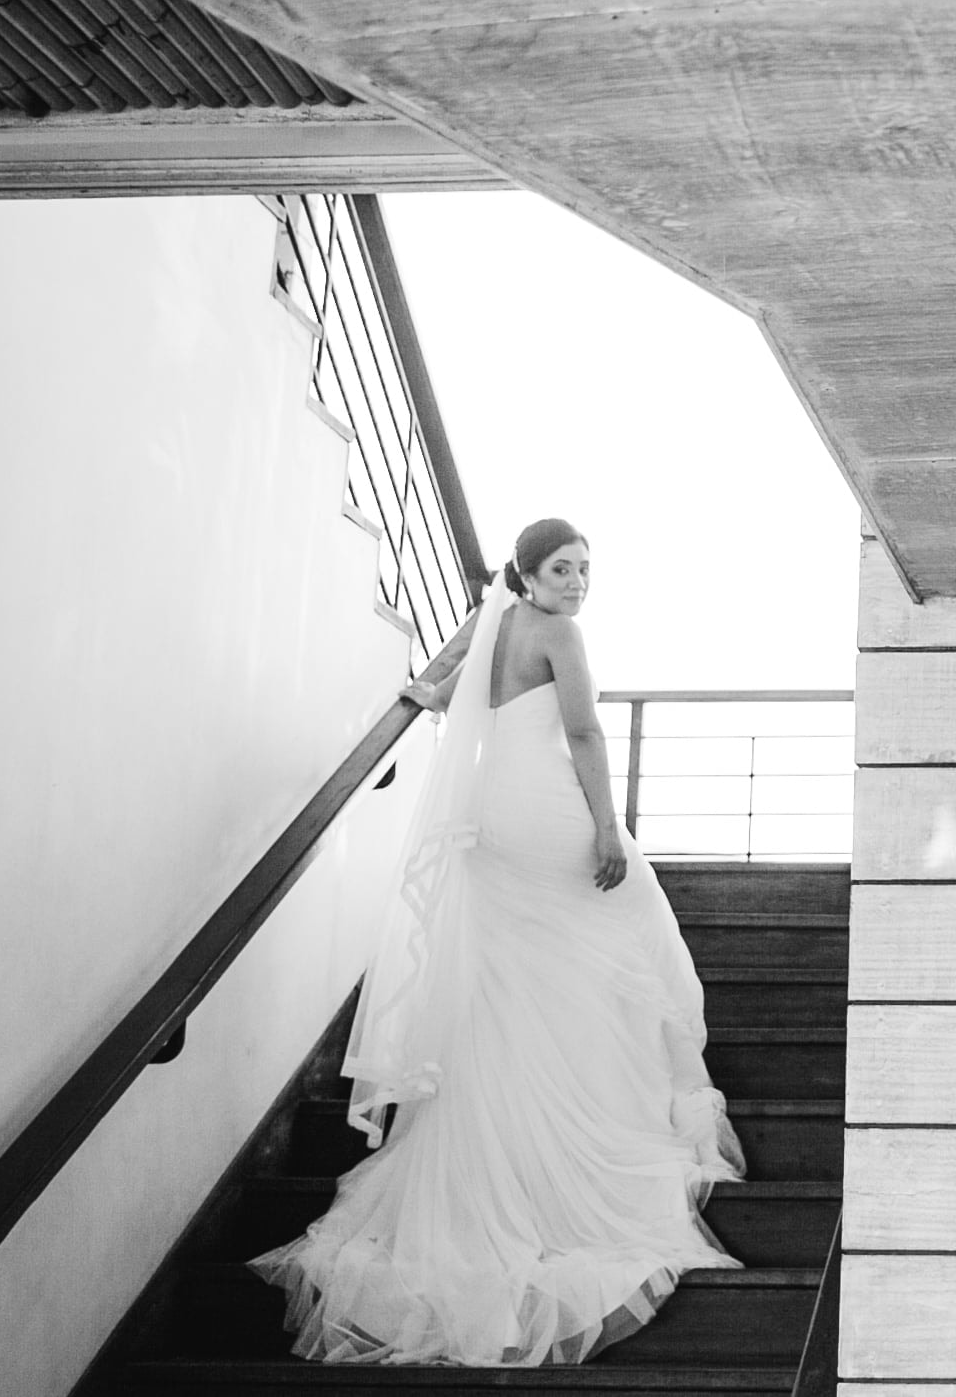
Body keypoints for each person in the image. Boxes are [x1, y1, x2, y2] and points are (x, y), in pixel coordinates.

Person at [249, 518, 745, 1365]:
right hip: (549, 811)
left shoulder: (489, 622)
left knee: (511, 979)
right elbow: (585, 735)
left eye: (587, 569)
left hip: (490, 816)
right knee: (610, 944)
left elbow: (438, 690)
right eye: (563, 568)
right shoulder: (558, 633)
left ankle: (500, 1139)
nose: (579, 582)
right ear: (529, 573)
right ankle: (590, 1130)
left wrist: (416, 698)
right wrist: (605, 830)